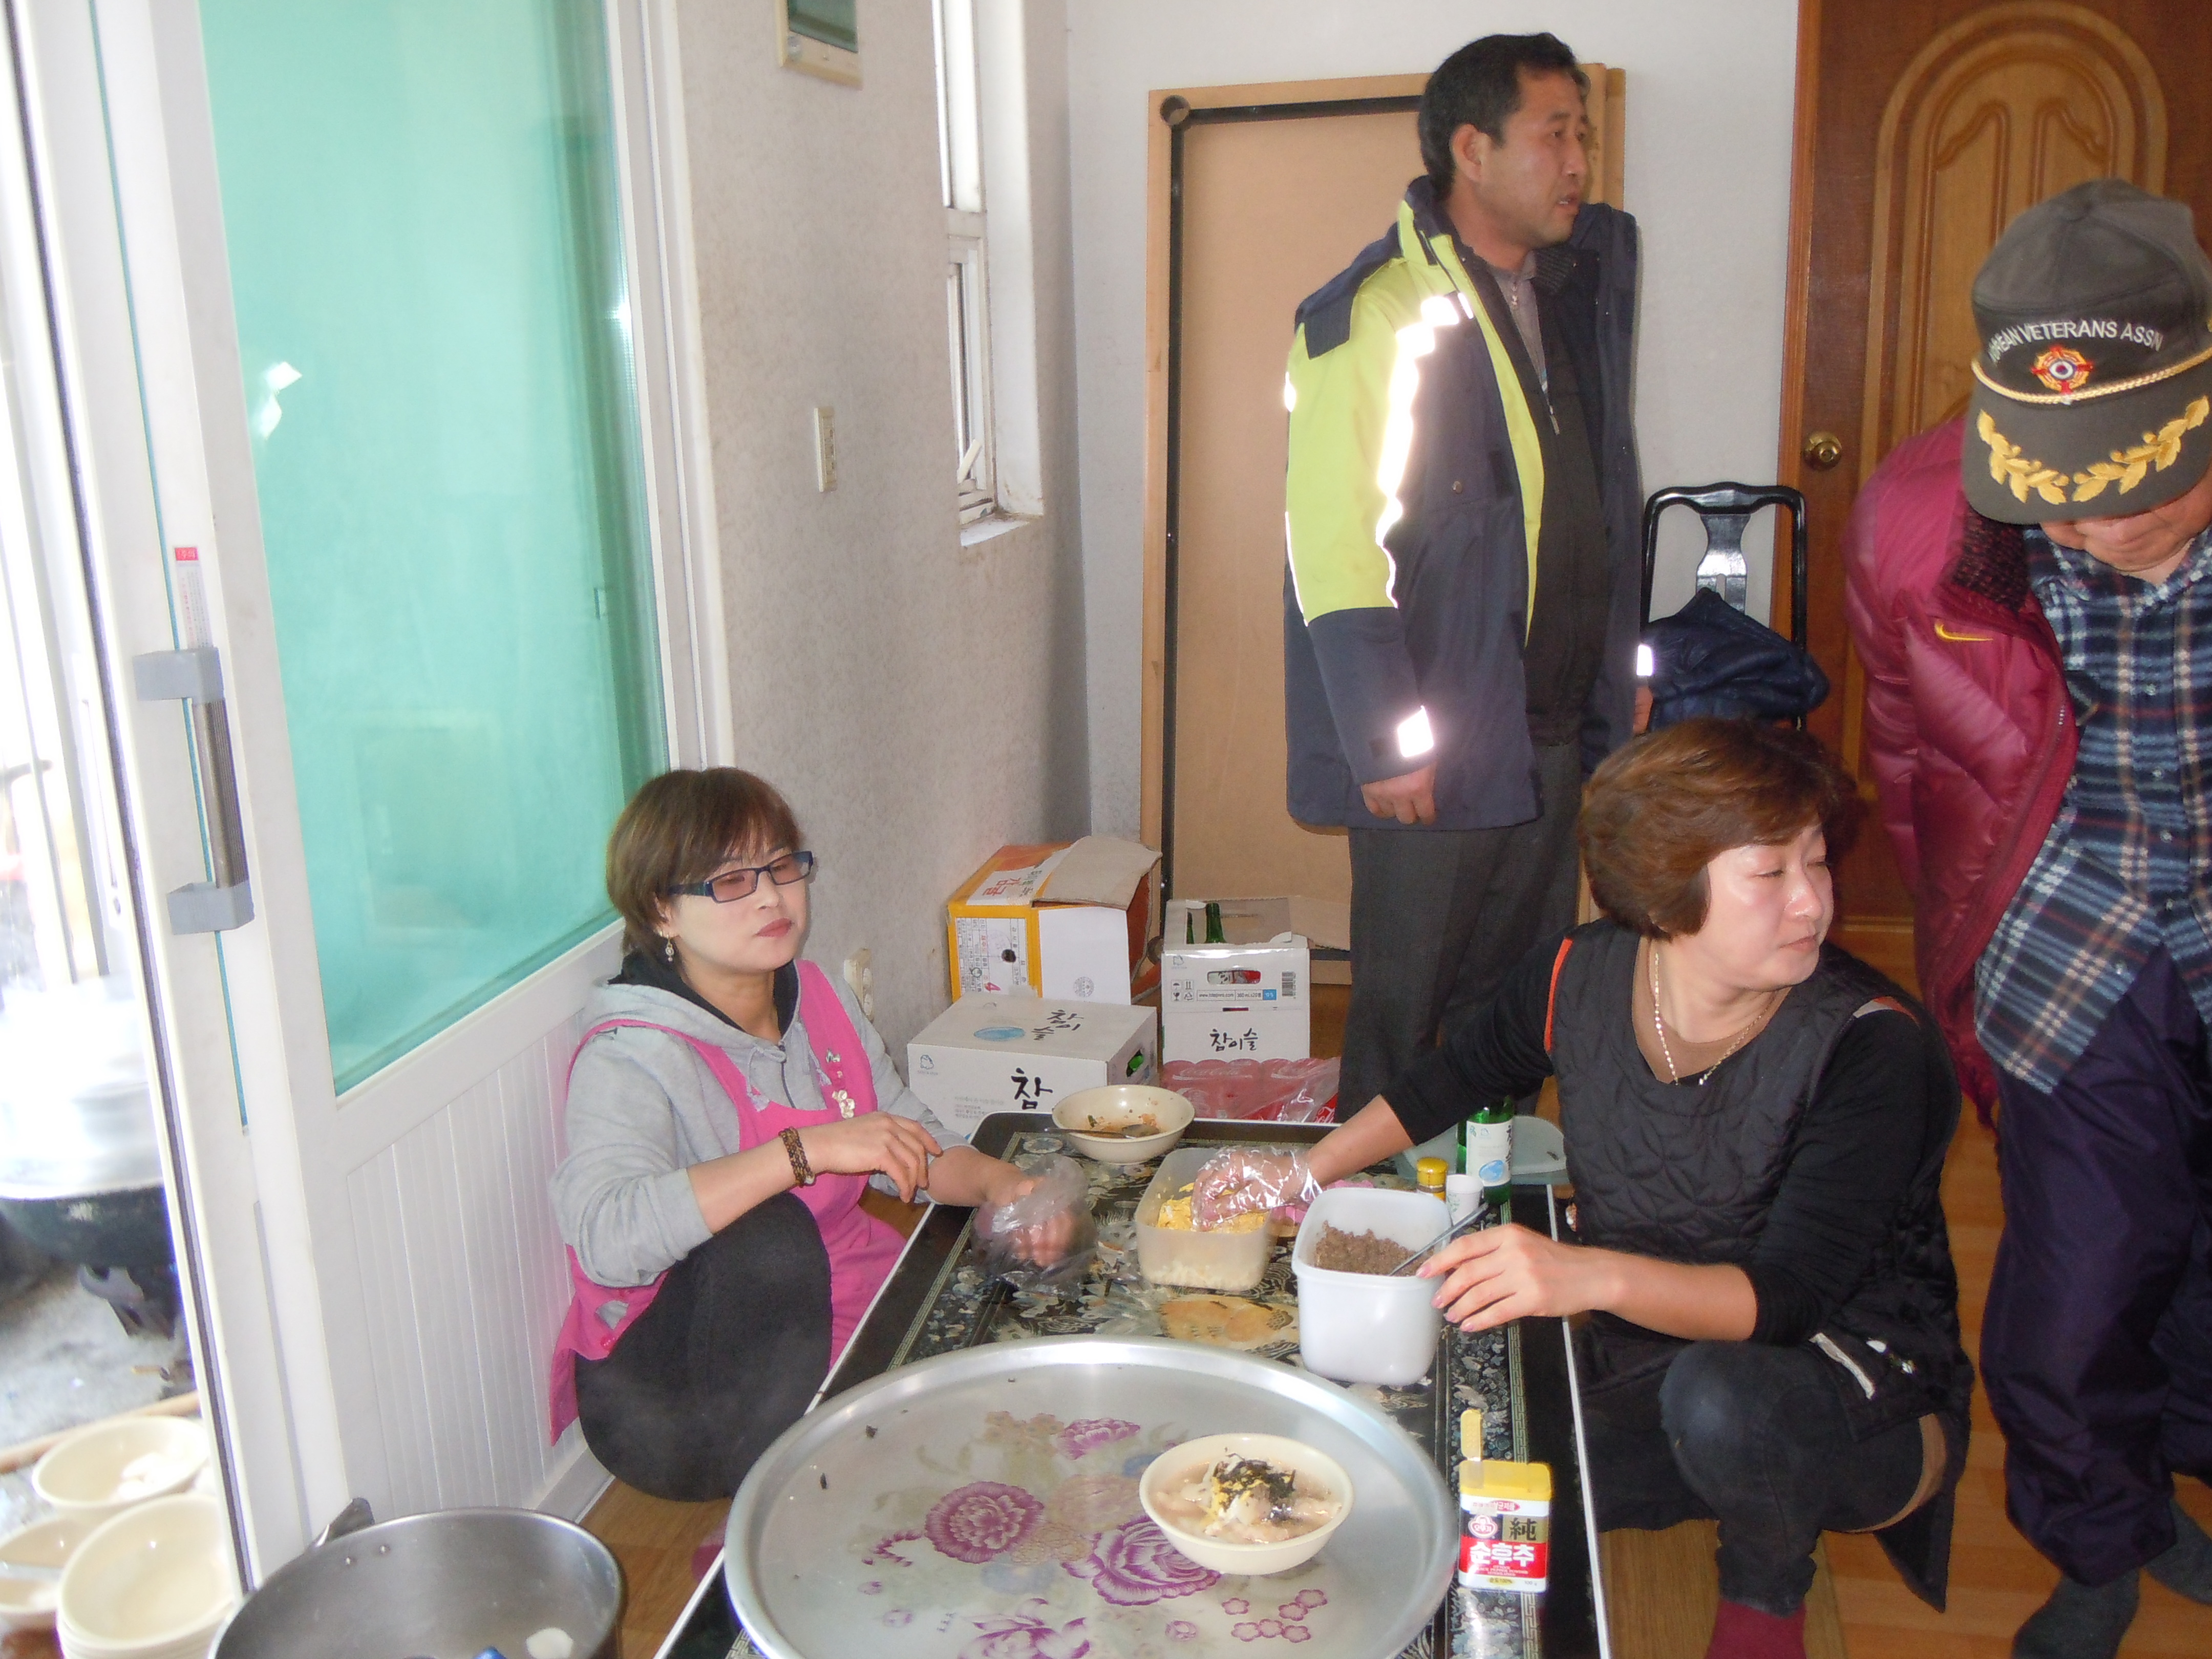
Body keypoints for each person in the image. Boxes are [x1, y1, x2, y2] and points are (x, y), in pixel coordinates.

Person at [1198, 720, 1971, 1659]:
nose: (1812, 900)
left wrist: (1585, 1275)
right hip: (1648, 1351)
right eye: (1771, 873)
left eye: (1816, 861)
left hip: (1848, 1385)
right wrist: (1302, 1170)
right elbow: (1453, 1076)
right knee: (1462, 1471)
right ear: (1664, 888)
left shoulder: (1869, 1045)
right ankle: (1695, 1472)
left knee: (1724, 1401)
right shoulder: (1582, 971)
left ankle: (1765, 1600)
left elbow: (1788, 1300)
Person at [1844, 178, 2212, 1658]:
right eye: (2054, 484)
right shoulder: (1919, 520)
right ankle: (2098, 1540)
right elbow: (1911, 755)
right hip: (2072, 929)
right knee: (2078, 1283)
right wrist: (1954, 950)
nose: (2088, 520)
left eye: (2133, 482)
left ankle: (2178, 1465)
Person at [1281, 32, 1642, 1117]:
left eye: (1584, 135)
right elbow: (1333, 541)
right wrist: (1386, 737)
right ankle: (1374, 1212)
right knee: (1407, 1017)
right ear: (1472, 151)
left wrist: (1619, 670)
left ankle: (1491, 1203)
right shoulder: (1377, 314)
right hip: (1439, 742)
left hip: (1550, 730)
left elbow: (1589, 508)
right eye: (1554, 134)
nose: (1579, 162)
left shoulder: (1566, 297)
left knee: (1518, 1006)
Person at [548, 768, 1071, 1499]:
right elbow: (606, 1238)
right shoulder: (630, 1051)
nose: (771, 896)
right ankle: (769, 1510)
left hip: (832, 1298)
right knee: (773, 1237)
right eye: (731, 880)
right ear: (662, 911)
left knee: (1026, 1401)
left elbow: (907, 1137)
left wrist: (1000, 1184)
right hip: (677, 1389)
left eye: (780, 867)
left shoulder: (817, 995)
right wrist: (805, 1151)